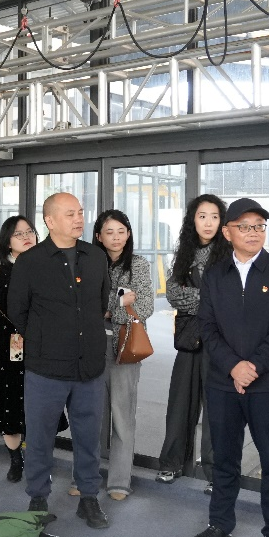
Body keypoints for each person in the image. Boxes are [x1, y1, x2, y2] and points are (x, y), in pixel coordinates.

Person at [186, 197, 269, 537]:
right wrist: (233, 367)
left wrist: (252, 367)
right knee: (224, 459)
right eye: (245, 226)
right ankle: (220, 525)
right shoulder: (214, 275)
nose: (254, 233)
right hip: (223, 383)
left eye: (260, 226)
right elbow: (207, 327)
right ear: (228, 232)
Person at [8, 192, 112, 529]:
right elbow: (17, 311)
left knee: (88, 437)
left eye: (80, 212)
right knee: (40, 437)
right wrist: (46, 338)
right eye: (70, 214)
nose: (79, 219)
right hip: (46, 368)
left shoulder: (95, 257)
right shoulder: (30, 261)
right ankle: (38, 496)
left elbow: (100, 303)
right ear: (50, 221)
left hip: (88, 366)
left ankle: (89, 498)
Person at [156, 195, 231, 489]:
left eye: (214, 216)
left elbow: (228, 298)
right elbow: (173, 294)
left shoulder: (229, 255)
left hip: (220, 342)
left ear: (222, 221)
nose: (208, 222)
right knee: (179, 405)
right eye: (202, 216)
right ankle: (172, 463)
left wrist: (203, 300)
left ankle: (215, 474)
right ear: (193, 220)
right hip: (189, 340)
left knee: (217, 411)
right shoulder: (184, 254)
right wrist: (208, 300)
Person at [92, 209, 153, 501]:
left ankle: (119, 481)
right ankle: (86, 475)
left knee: (122, 415)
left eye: (121, 231)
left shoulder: (138, 265)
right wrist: (120, 301)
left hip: (125, 348)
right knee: (90, 414)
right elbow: (86, 304)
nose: (116, 237)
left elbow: (145, 307)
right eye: (109, 232)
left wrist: (109, 309)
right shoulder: (89, 262)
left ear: (128, 234)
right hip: (91, 346)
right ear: (98, 236)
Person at [0, 216, 41, 483]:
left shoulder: (47, 266)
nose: (26, 237)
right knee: (8, 404)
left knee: (38, 403)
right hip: (4, 346)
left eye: (30, 231)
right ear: (7, 241)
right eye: (18, 234)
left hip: (40, 344)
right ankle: (16, 459)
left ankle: (37, 457)